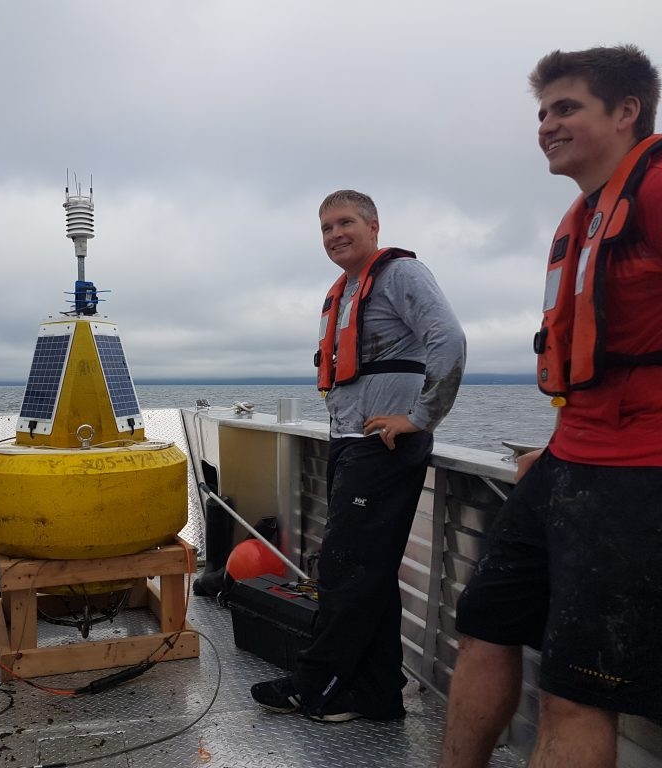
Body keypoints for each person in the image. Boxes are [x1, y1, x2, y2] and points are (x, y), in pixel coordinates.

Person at [439, 45, 662, 768]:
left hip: (638, 477)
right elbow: (595, 366)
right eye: (542, 112)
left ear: (627, 112)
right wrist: (559, 440)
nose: (546, 125)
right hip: (570, 461)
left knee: (575, 693)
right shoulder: (581, 217)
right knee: (483, 629)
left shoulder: (657, 191)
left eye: (566, 107)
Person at [251, 189, 466, 722]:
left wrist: (419, 418)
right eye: (325, 228)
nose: (334, 235)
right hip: (351, 444)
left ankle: (316, 682)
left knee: (346, 570)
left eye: (345, 222)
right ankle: (376, 695)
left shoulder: (401, 277)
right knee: (367, 573)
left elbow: (449, 342)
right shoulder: (347, 290)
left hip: (385, 448)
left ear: (373, 226)